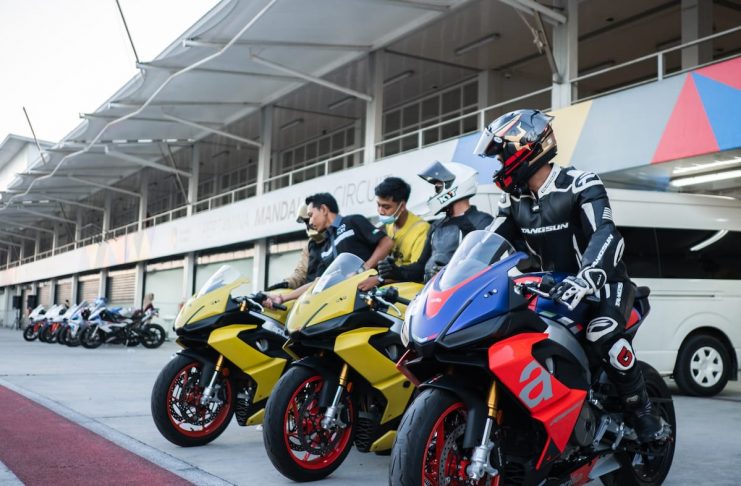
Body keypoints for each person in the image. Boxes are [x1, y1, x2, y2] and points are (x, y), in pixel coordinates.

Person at [473, 108, 665, 442]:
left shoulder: (580, 183)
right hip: (551, 289)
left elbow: (605, 233)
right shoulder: (514, 200)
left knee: (602, 333)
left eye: (501, 157)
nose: (499, 166)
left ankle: (643, 412)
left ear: (525, 148)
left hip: (604, 284)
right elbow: (487, 245)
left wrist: (587, 277)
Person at [264, 193, 393, 307]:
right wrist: (283, 298)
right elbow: (317, 283)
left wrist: (364, 268)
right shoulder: (325, 248)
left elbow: (386, 242)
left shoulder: (352, 221)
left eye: (311, 215)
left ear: (324, 209)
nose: (310, 222)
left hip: (374, 299)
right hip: (345, 305)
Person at [378, 161, 493, 283]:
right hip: (433, 290)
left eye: (438, 188)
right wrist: (395, 271)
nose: (435, 194)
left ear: (455, 187)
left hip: (463, 290)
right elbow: (420, 268)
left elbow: (485, 265)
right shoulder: (437, 225)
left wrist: (452, 272)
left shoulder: (482, 222)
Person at [357, 177, 429, 290]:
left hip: (410, 289)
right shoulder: (389, 224)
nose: (380, 211)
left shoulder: (421, 230)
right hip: (390, 285)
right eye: (378, 205)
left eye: (386, 207)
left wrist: (379, 279)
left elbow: (416, 272)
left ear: (402, 206)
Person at [268, 204, 327, 290]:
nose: (310, 223)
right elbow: (300, 273)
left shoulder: (336, 237)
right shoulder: (309, 245)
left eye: (312, 219)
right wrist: (287, 283)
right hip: (312, 292)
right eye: (307, 221)